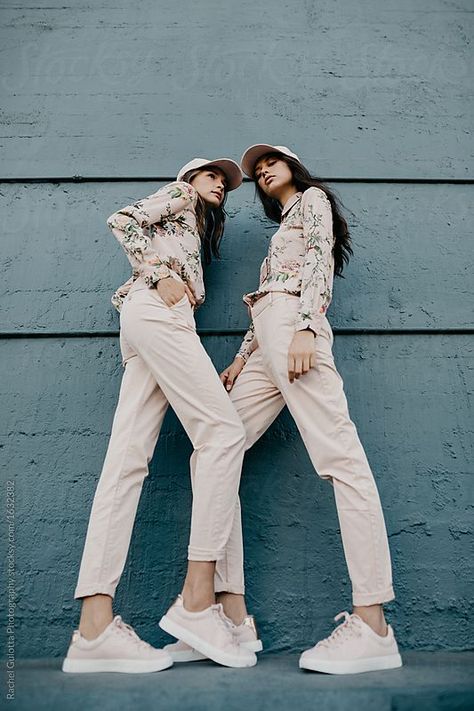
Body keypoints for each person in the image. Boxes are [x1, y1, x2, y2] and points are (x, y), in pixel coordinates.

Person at [62, 157, 259, 673]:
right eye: (211, 175)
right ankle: (197, 603)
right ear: (188, 179)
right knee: (222, 432)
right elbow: (122, 219)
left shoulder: (190, 224)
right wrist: (156, 275)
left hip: (147, 320)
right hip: (157, 311)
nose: (220, 183)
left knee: (126, 464)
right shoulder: (180, 196)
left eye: (225, 181)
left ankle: (93, 629)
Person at [216, 144, 402, 674]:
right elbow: (266, 296)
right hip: (268, 342)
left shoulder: (314, 199)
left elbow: (319, 260)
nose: (262, 170)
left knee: (341, 461)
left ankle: (372, 624)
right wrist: (241, 358)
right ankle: (230, 611)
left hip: (297, 333)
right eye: (256, 170)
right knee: (215, 448)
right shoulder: (282, 230)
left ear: (294, 168)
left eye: (271, 161)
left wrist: (305, 327)